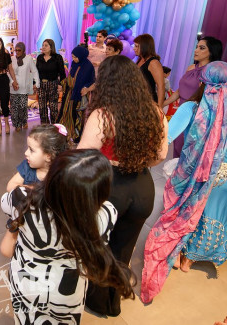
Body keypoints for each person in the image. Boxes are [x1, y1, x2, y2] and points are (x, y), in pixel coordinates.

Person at [141, 62, 227, 303]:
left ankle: (178, 255)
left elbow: (166, 138)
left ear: (203, 81)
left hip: (200, 173)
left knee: (186, 212)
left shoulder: (192, 108)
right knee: (216, 214)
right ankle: (193, 259)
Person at [78, 55, 168, 317]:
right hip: (142, 187)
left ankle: (97, 301)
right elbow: (160, 155)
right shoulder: (155, 112)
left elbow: (84, 155)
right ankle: (114, 301)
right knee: (124, 248)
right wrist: (136, 162)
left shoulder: (103, 115)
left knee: (99, 245)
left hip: (110, 186)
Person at [1, 149, 135, 324]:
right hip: (67, 290)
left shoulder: (22, 199)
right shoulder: (105, 215)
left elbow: (5, 204)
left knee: (24, 317)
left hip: (26, 280)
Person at [0, 124, 69, 257]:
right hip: (24, 217)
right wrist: (34, 189)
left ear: (48, 156)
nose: (26, 153)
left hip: (49, 223)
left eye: (31, 150)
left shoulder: (60, 174)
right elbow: (10, 185)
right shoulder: (27, 167)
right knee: (6, 250)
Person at [163, 37, 223, 157]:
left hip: (197, 114)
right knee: (177, 145)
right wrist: (162, 104)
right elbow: (180, 90)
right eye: (197, 47)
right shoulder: (191, 68)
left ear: (211, 52)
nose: (196, 50)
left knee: (188, 151)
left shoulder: (212, 72)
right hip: (181, 111)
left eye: (202, 48)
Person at [58, 45, 95, 143]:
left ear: (81, 56)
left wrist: (86, 88)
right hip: (69, 94)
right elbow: (70, 77)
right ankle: (66, 133)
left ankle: (76, 136)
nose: (73, 59)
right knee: (66, 113)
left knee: (77, 115)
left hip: (79, 96)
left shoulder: (88, 66)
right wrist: (63, 84)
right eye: (72, 57)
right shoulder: (74, 64)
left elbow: (92, 81)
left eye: (75, 57)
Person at [10, 42, 39, 132]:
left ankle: (24, 121)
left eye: (19, 50)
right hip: (13, 87)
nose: (17, 52)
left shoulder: (28, 59)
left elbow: (34, 71)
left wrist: (37, 83)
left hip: (24, 88)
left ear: (23, 50)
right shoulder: (12, 59)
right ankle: (17, 124)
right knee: (14, 108)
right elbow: (8, 72)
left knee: (22, 107)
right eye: (16, 50)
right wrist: (12, 82)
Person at [36, 39, 66, 124]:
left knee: (53, 108)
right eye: (43, 45)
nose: (43, 47)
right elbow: (36, 72)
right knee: (42, 108)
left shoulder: (57, 57)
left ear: (51, 47)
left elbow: (62, 73)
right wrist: (35, 83)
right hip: (41, 85)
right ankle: (45, 127)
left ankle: (54, 127)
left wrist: (61, 85)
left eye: (46, 45)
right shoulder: (39, 57)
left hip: (53, 85)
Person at [134, 34, 164, 106]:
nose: (134, 48)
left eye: (136, 46)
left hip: (148, 102)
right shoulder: (140, 60)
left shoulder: (153, 62)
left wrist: (159, 108)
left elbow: (161, 86)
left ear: (144, 47)